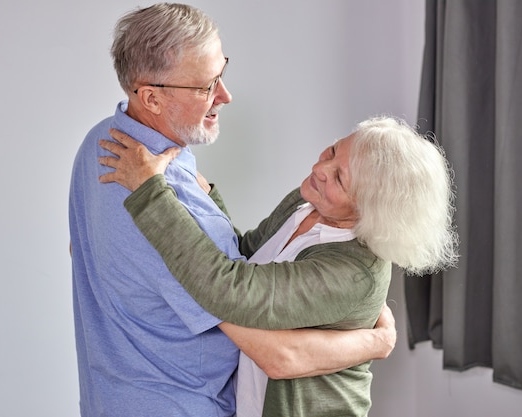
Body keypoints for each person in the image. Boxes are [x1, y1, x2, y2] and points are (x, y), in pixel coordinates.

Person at [69, 3, 397, 417]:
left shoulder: (101, 143)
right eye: (206, 85)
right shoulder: (151, 194)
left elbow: (233, 258)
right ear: (151, 97)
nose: (225, 95)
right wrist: (374, 343)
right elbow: (245, 315)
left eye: (222, 72)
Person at [97, 115, 459, 417]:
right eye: (333, 151)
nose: (320, 168)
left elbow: (231, 291)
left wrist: (149, 193)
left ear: (372, 211)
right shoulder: (306, 203)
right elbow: (246, 257)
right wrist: (205, 199)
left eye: (340, 179)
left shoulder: (352, 273)